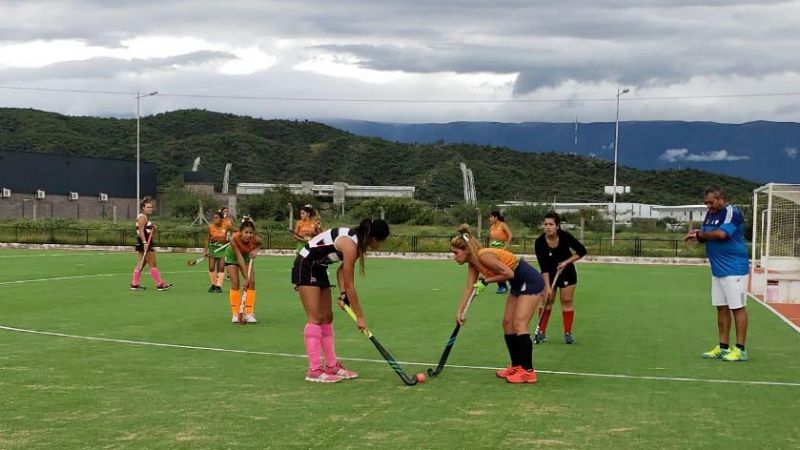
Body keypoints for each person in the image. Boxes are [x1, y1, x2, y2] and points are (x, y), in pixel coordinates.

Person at [291, 218, 391, 383]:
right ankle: (314, 369)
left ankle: (331, 365)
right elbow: (350, 283)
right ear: (374, 239)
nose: (381, 245)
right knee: (315, 317)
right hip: (305, 265)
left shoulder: (357, 245)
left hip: (319, 268)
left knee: (327, 317)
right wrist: (359, 316)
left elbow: (341, 272)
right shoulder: (350, 245)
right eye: (382, 241)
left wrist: (343, 294)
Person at [451, 224, 545, 384]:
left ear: (466, 250)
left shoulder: (483, 256)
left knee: (519, 324)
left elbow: (509, 273)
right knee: (507, 323)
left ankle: (528, 371)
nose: (454, 256)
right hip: (517, 284)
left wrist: (486, 281)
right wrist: (459, 312)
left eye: (455, 252)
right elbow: (469, 288)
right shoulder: (473, 263)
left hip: (529, 280)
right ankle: (516, 366)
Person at [684, 186, 750, 362]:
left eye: (711, 202)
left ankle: (741, 349)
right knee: (721, 307)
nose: (708, 206)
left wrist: (700, 235)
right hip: (717, 268)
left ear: (721, 198)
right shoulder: (710, 214)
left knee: (737, 307)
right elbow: (706, 234)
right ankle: (723, 347)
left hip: (734, 267)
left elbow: (721, 234)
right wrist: (697, 235)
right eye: (706, 203)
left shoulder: (732, 212)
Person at [533, 211, 587, 345]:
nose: (548, 227)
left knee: (567, 300)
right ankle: (541, 332)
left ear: (557, 226)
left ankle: (567, 333)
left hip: (567, 272)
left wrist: (566, 262)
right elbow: (543, 267)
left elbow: (581, 251)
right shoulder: (539, 242)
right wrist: (547, 286)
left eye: (551, 224)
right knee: (547, 300)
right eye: (545, 224)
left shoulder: (565, 237)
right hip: (549, 274)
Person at [224, 217, 262, 323]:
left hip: (246, 256)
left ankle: (249, 313)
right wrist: (246, 277)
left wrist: (256, 250)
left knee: (252, 282)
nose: (249, 235)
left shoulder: (255, 239)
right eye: (246, 232)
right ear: (240, 232)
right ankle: (236, 313)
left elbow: (260, 244)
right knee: (235, 282)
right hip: (232, 256)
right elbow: (239, 257)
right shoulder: (234, 238)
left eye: (251, 233)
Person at [130, 197, 172, 291]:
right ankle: (160, 284)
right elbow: (141, 231)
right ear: (143, 208)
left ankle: (134, 284)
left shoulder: (145, 217)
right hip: (145, 242)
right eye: (148, 207)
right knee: (153, 263)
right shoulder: (142, 217)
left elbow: (145, 229)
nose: (150, 209)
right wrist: (145, 243)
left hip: (144, 242)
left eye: (151, 207)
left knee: (141, 264)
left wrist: (152, 227)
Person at [204, 210, 231, 293]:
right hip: (213, 249)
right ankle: (213, 285)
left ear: (221, 219)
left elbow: (236, 230)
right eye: (214, 218)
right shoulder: (210, 227)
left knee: (221, 267)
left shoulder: (226, 225)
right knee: (211, 267)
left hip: (223, 249)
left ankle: (218, 286)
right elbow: (207, 239)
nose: (215, 219)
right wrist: (205, 251)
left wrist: (234, 238)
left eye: (217, 218)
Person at [488, 210, 513, 294]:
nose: (490, 218)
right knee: (496, 268)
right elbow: (491, 239)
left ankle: (514, 285)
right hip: (493, 252)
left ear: (496, 217)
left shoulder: (503, 225)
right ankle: (502, 287)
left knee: (505, 268)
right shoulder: (492, 226)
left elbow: (510, 235)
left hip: (502, 251)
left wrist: (505, 247)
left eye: (491, 217)